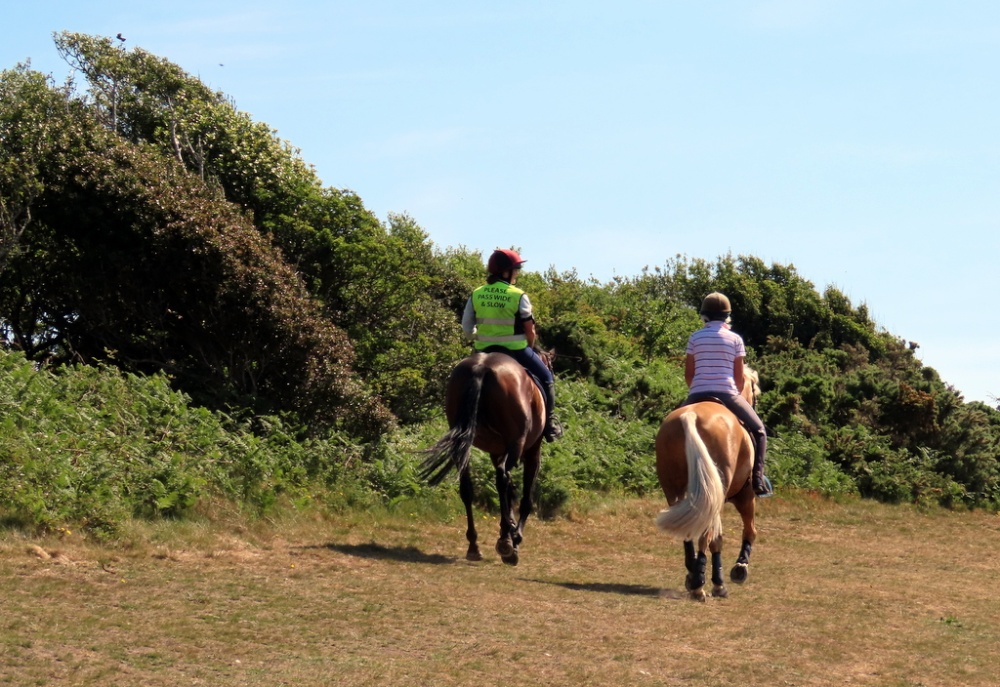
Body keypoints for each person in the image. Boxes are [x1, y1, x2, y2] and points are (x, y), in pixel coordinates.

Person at [462, 248, 563, 442]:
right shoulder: (518, 295)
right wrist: (530, 345)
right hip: (516, 351)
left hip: (482, 350)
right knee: (547, 377)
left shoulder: (476, 294)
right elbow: (530, 330)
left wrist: (480, 335)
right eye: (516, 269)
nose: (517, 273)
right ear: (505, 272)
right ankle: (549, 425)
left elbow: (467, 328)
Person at [682, 291, 772, 496]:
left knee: (669, 426)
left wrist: (698, 389)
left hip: (697, 393)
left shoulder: (695, 338)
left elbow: (689, 375)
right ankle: (758, 480)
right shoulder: (735, 339)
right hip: (727, 394)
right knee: (759, 431)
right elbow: (739, 379)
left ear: (704, 315)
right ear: (727, 316)